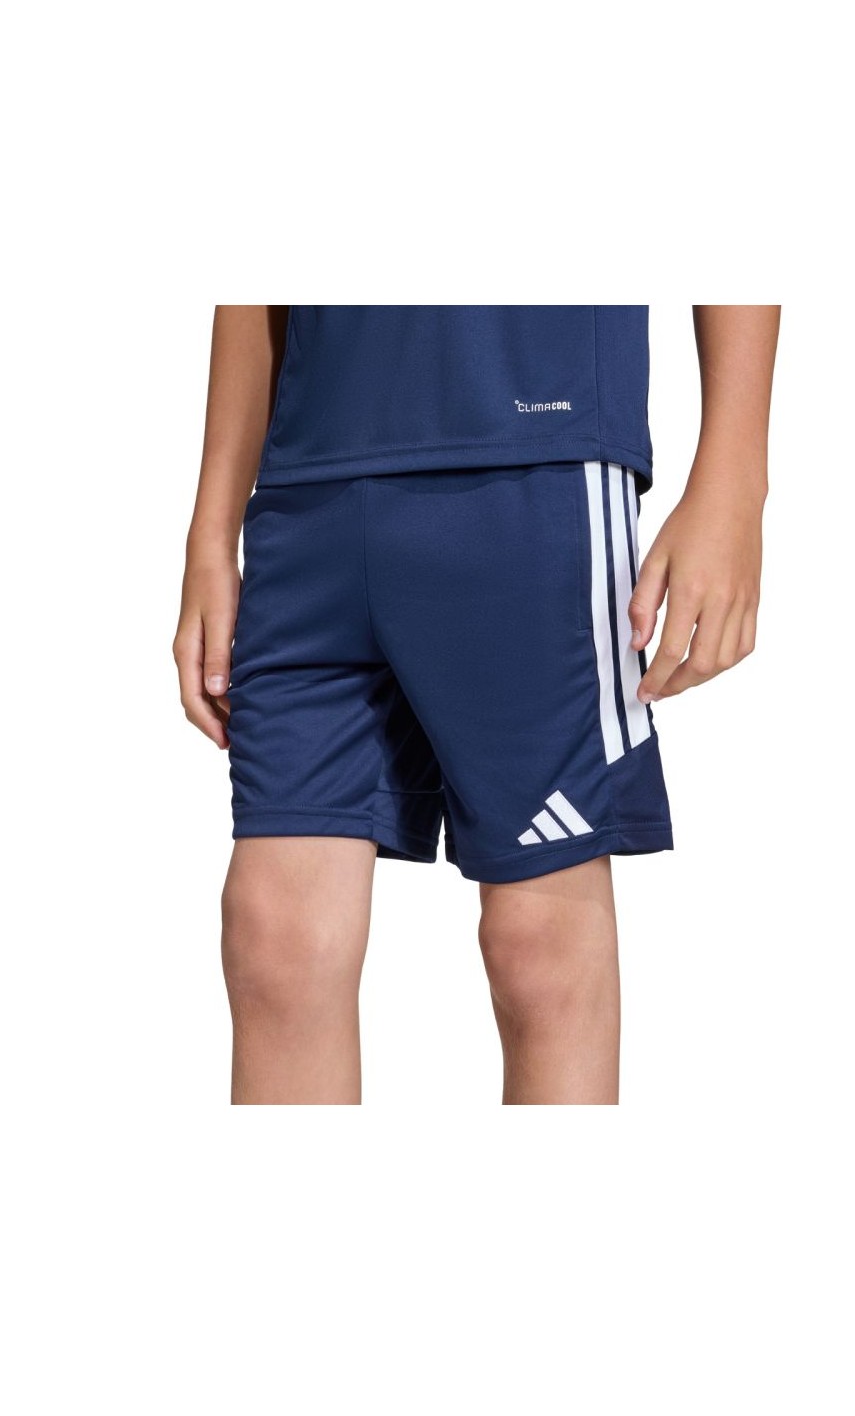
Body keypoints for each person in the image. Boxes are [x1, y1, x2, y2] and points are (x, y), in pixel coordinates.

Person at [174, 305, 779, 1105]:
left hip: (535, 455)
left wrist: (736, 475)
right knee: (274, 943)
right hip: (309, 480)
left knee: (539, 951)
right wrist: (211, 532)